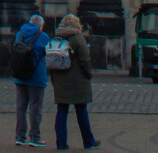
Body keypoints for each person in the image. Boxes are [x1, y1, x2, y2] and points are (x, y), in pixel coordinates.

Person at [49, 14, 98, 150]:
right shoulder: (78, 38)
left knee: (61, 111)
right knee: (81, 111)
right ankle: (88, 141)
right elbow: (85, 60)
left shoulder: (56, 38)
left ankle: (61, 143)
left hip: (60, 80)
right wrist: (88, 74)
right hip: (77, 82)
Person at [11, 14, 49, 147]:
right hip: (36, 76)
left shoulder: (19, 34)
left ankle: (20, 137)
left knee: (21, 107)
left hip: (20, 74)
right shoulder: (43, 36)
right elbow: (48, 52)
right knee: (35, 107)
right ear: (40, 25)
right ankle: (34, 137)